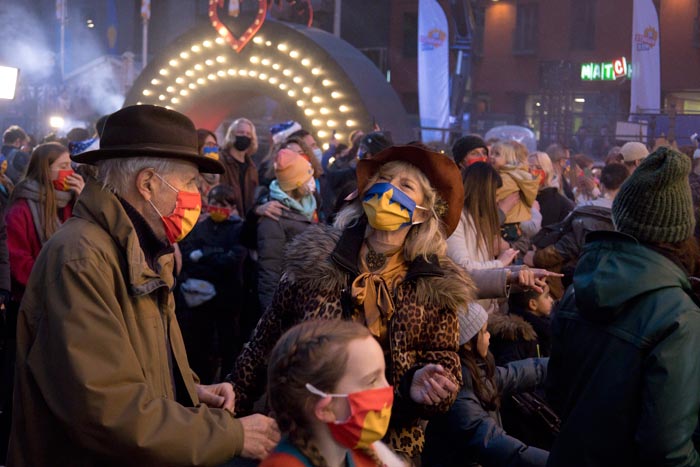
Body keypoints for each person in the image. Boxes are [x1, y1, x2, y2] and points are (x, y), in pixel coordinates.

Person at [8, 105, 280, 466]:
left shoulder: (142, 247)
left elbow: (131, 367)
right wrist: (231, 434)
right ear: (148, 184)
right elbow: (107, 410)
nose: (196, 196)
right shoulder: (81, 258)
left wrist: (187, 391)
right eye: (188, 183)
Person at [228, 145, 475, 460]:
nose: (389, 189)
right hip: (308, 434)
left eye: (405, 186)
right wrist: (234, 401)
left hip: (389, 442)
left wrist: (423, 384)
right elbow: (266, 340)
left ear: (423, 211)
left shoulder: (435, 286)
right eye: (383, 179)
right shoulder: (315, 262)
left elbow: (444, 359)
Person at [546, 147, 700, 466]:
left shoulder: (577, 290)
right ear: (682, 230)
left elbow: (556, 394)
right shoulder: (679, 316)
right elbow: (667, 448)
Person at [262, 319, 406, 467]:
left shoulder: (368, 453)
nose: (387, 388)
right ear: (325, 408)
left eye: (384, 376)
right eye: (372, 380)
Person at [422, 303, 549, 467]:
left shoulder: (473, 371)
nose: (489, 336)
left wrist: (558, 364)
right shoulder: (458, 396)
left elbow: (515, 374)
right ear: (468, 343)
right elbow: (497, 445)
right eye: (485, 331)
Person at [175, 184, 249, 384]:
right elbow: (189, 257)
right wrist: (211, 257)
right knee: (200, 344)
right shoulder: (200, 227)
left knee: (228, 345)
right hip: (200, 300)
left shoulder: (239, 228)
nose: (217, 208)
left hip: (227, 297)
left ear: (232, 207)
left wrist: (206, 255)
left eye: (223, 204)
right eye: (214, 203)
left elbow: (233, 260)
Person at [524, 163, 629, 298]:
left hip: (579, 282)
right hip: (615, 286)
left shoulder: (585, 211)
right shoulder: (630, 217)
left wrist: (537, 258)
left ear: (601, 185)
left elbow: (567, 246)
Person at [5, 142, 84, 303]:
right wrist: (54, 282)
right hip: (36, 298)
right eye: (63, 166)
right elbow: (17, 260)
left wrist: (83, 200)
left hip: (71, 295)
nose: (69, 171)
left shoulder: (72, 200)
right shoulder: (21, 209)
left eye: (70, 165)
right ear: (45, 171)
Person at [257, 149, 317, 312]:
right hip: (287, 302)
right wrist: (271, 314)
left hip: (303, 298)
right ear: (295, 184)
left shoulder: (308, 206)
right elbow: (270, 271)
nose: (312, 180)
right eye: (308, 177)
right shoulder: (273, 218)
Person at [489, 283, 554, 367]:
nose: (551, 300)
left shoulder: (542, 326)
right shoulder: (517, 335)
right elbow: (510, 372)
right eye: (546, 296)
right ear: (533, 304)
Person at [489, 141, 539, 242]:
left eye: (497, 154)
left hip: (507, 223)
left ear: (508, 158)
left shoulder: (506, 178)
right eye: (492, 153)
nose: (492, 157)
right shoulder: (513, 175)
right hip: (512, 223)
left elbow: (493, 196)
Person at [528, 151, 574, 227]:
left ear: (547, 171)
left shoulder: (558, 201)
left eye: (538, 167)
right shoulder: (519, 196)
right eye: (529, 167)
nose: (532, 171)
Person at [195, 128, 221, 213]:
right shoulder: (191, 175)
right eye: (209, 144)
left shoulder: (217, 175)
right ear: (198, 146)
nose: (213, 149)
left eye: (215, 146)